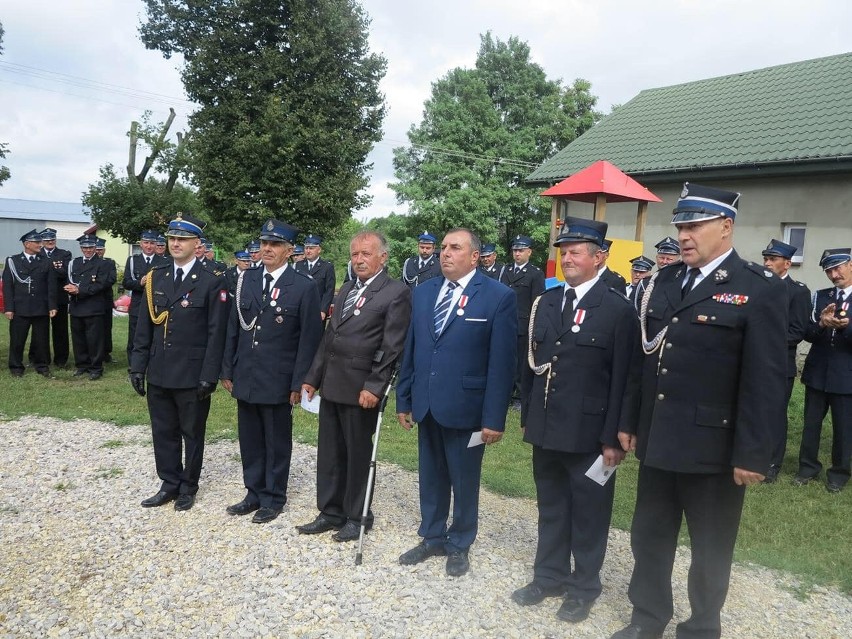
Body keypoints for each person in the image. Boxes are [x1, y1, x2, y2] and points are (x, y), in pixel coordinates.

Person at [611, 183, 787, 639]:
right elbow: (642, 361)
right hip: (658, 439)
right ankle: (647, 618)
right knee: (649, 537)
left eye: (694, 225)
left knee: (710, 549)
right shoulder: (663, 282)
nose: (684, 235)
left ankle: (702, 626)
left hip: (714, 446)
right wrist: (630, 421)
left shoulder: (756, 289)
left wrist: (754, 453)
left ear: (725, 228)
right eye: (681, 226)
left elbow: (766, 382)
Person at [514, 217, 642, 623]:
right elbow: (532, 366)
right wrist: (529, 416)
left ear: (599, 257)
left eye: (576, 252)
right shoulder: (547, 302)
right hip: (548, 426)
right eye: (563, 251)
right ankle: (547, 576)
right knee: (551, 507)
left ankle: (583, 586)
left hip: (591, 435)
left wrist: (614, 438)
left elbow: (626, 379)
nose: (567, 258)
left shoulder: (617, 309)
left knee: (589, 515)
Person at [396, 228, 517, 577]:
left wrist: (494, 417)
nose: (445, 253)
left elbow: (502, 365)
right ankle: (432, 535)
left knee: (464, 479)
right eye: (443, 248)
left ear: (475, 256)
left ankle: (460, 541)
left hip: (467, 407)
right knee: (431, 475)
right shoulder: (424, 292)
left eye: (455, 248)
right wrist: (404, 397)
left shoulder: (498, 296)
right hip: (428, 402)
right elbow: (413, 348)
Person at [297, 231, 411, 541]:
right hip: (333, 384)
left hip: (361, 389)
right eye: (355, 254)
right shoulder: (346, 289)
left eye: (366, 254)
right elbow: (329, 338)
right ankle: (330, 511)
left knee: (358, 454)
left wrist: (375, 386)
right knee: (330, 452)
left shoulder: (395, 293)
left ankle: (357, 515)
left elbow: (392, 346)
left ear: (382, 258)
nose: (358, 259)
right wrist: (312, 377)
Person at [221, 220, 322, 523]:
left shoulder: (303, 286)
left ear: (290, 251)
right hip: (247, 374)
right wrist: (227, 368)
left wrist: (300, 381)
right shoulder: (246, 280)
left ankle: (273, 497)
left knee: (276, 441)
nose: (266, 249)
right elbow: (233, 329)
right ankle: (253, 492)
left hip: (279, 378)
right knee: (249, 437)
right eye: (264, 243)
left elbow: (309, 340)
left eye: (275, 244)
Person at [130, 214, 229, 511]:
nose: (175, 243)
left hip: (191, 371)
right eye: (172, 238)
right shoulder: (156, 277)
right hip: (159, 369)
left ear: (196, 244)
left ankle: (188, 485)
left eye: (182, 239)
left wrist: (209, 375)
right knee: (163, 430)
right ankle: (169, 483)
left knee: (192, 432)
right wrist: (137, 366)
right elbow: (144, 327)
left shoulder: (212, 280)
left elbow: (216, 332)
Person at [793, 248, 852, 493]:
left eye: (838, 268)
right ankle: (807, 468)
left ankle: (838, 474)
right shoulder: (821, 296)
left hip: (846, 375)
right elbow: (806, 333)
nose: (833, 274)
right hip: (818, 372)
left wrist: (844, 328)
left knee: (844, 429)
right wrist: (821, 324)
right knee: (811, 425)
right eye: (829, 270)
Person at [761, 239, 811, 483]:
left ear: (787, 263)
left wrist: (762, 343)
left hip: (779, 364)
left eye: (773, 259)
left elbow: (797, 331)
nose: (767, 263)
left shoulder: (798, 291)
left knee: (775, 414)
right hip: (753, 362)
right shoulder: (758, 285)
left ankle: (772, 463)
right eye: (766, 259)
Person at [3, 229, 58, 377]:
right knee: (17, 340)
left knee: (41, 340)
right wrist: (9, 308)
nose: (41, 244)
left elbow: (51, 286)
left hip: (41, 307)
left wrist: (52, 305)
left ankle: (42, 366)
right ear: (27, 244)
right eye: (37, 242)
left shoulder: (46, 261)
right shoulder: (13, 261)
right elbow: (7, 286)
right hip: (20, 307)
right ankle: (16, 367)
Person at [500, 235, 545, 406]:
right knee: (506, 359)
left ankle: (519, 396)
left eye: (521, 250)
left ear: (529, 252)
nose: (517, 254)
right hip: (505, 322)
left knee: (520, 362)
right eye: (515, 250)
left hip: (523, 324)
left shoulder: (535, 274)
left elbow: (537, 302)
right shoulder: (506, 270)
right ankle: (507, 391)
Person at [66, 234, 113, 380]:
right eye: (85, 247)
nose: (88, 250)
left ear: (95, 248)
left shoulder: (103, 264)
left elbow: (101, 284)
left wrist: (80, 290)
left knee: (95, 340)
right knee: (78, 339)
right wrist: (71, 288)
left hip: (94, 307)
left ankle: (96, 368)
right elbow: (70, 280)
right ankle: (82, 365)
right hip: (77, 306)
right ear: (81, 248)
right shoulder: (74, 263)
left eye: (90, 247)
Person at [122, 230, 170, 364]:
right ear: (141, 244)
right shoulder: (133, 260)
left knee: (156, 336)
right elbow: (126, 282)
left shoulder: (164, 261)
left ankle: (153, 364)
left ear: (156, 245)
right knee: (135, 337)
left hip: (156, 305)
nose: (149, 246)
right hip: (138, 304)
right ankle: (134, 366)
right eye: (146, 243)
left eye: (152, 243)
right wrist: (140, 283)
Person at [36, 228, 72, 368]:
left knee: (60, 331)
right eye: (46, 240)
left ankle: (61, 360)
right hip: (40, 297)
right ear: (42, 241)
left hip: (59, 298)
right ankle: (38, 358)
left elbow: (65, 272)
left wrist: (48, 269)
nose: (50, 242)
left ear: (55, 240)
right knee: (40, 330)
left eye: (52, 239)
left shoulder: (64, 254)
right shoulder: (37, 254)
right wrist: (53, 268)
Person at [294, 234, 336, 320]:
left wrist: (323, 310)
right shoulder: (298, 265)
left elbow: (329, 291)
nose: (308, 251)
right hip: (299, 310)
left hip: (317, 310)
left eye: (311, 248)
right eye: (306, 248)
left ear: (319, 250)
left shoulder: (327, 267)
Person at [634, 237, 683, 306]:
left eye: (669, 259)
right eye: (662, 258)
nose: (664, 261)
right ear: (656, 258)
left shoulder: (683, 281)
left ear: (678, 261)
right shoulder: (644, 283)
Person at [95, 238, 118, 363]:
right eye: (97, 249)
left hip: (105, 300)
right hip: (92, 300)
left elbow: (112, 279)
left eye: (101, 250)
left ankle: (106, 353)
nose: (99, 252)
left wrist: (96, 285)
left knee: (106, 327)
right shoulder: (89, 263)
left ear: (104, 250)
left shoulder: (109, 263)